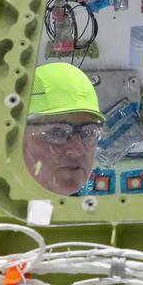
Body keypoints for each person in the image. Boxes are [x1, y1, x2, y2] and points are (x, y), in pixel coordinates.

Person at [23, 62, 104, 195]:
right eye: (57, 132)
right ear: (14, 137)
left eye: (89, 132)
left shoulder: (96, 213)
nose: (78, 150)